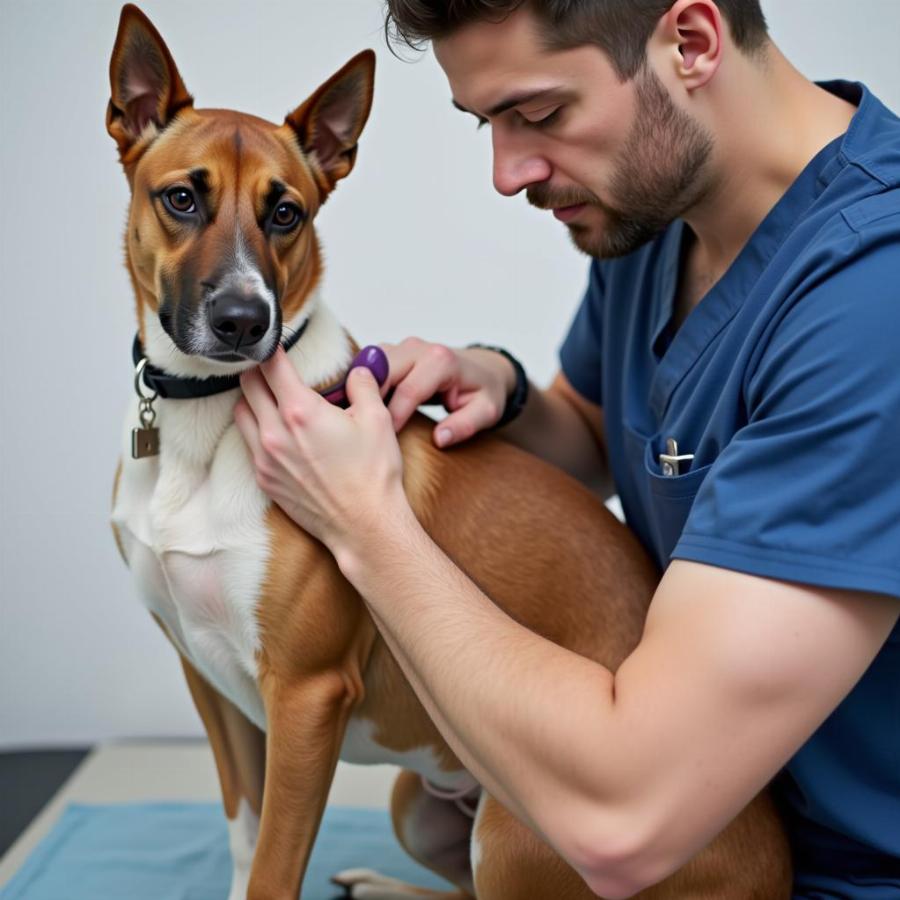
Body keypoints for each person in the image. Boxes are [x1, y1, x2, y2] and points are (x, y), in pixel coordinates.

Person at [233, 1, 900, 896]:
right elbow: (607, 434)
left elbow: (626, 824)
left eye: (539, 115)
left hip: (822, 870)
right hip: (711, 814)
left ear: (690, 43)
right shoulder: (655, 213)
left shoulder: (871, 304)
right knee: (428, 811)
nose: (509, 173)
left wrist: (364, 522)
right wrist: (499, 388)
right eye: (487, 124)